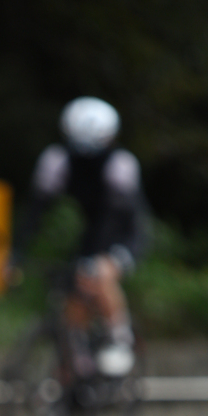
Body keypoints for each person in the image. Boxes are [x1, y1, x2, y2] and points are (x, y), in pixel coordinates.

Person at [11, 96, 147, 376]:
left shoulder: (121, 165)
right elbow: (36, 211)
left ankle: (119, 336)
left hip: (126, 234)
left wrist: (94, 260)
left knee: (99, 274)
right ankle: (78, 362)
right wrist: (16, 253)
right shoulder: (58, 160)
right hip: (93, 233)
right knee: (73, 298)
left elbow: (116, 216)